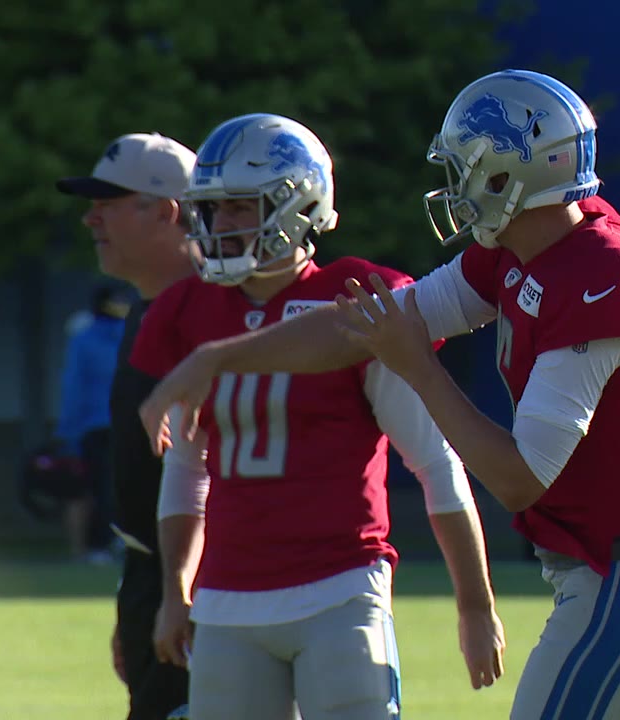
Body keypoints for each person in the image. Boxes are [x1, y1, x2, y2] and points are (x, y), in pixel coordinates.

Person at [140, 71, 620, 720]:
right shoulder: (518, 253)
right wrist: (218, 360)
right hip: (607, 577)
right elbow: (362, 328)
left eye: (464, 168)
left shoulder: (606, 273)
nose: (454, 187)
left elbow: (520, 478)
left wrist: (417, 367)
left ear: (506, 175)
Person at [132, 113, 504, 720]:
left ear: (298, 205)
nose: (219, 226)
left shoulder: (355, 296)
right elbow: (187, 468)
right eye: (213, 209)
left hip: (340, 586)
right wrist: (177, 589)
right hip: (226, 595)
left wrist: (474, 604)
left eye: (238, 208)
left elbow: (435, 463)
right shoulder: (186, 308)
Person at [56, 132, 197, 719]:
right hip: (153, 581)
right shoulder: (146, 310)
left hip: (207, 590)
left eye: (108, 203)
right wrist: (137, 599)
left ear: (165, 212)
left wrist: (176, 593)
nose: (91, 219)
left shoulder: (214, 314)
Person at [54, 284, 130, 564]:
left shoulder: (84, 339)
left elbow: (74, 387)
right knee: (125, 485)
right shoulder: (133, 333)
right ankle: (123, 542)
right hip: (131, 423)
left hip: (95, 426)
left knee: (97, 488)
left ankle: (100, 544)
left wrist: (68, 431)